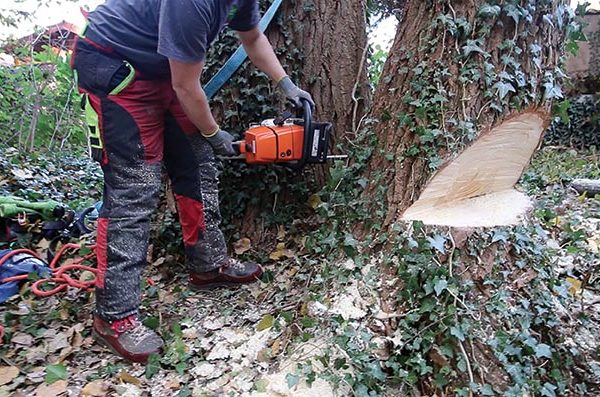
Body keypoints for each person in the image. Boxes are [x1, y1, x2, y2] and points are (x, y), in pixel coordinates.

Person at [71, 0, 314, 363]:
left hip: (165, 73)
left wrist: (287, 84)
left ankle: (208, 264)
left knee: (197, 162)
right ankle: (114, 316)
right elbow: (186, 86)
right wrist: (215, 133)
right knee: (134, 190)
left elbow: (253, 37)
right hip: (114, 67)